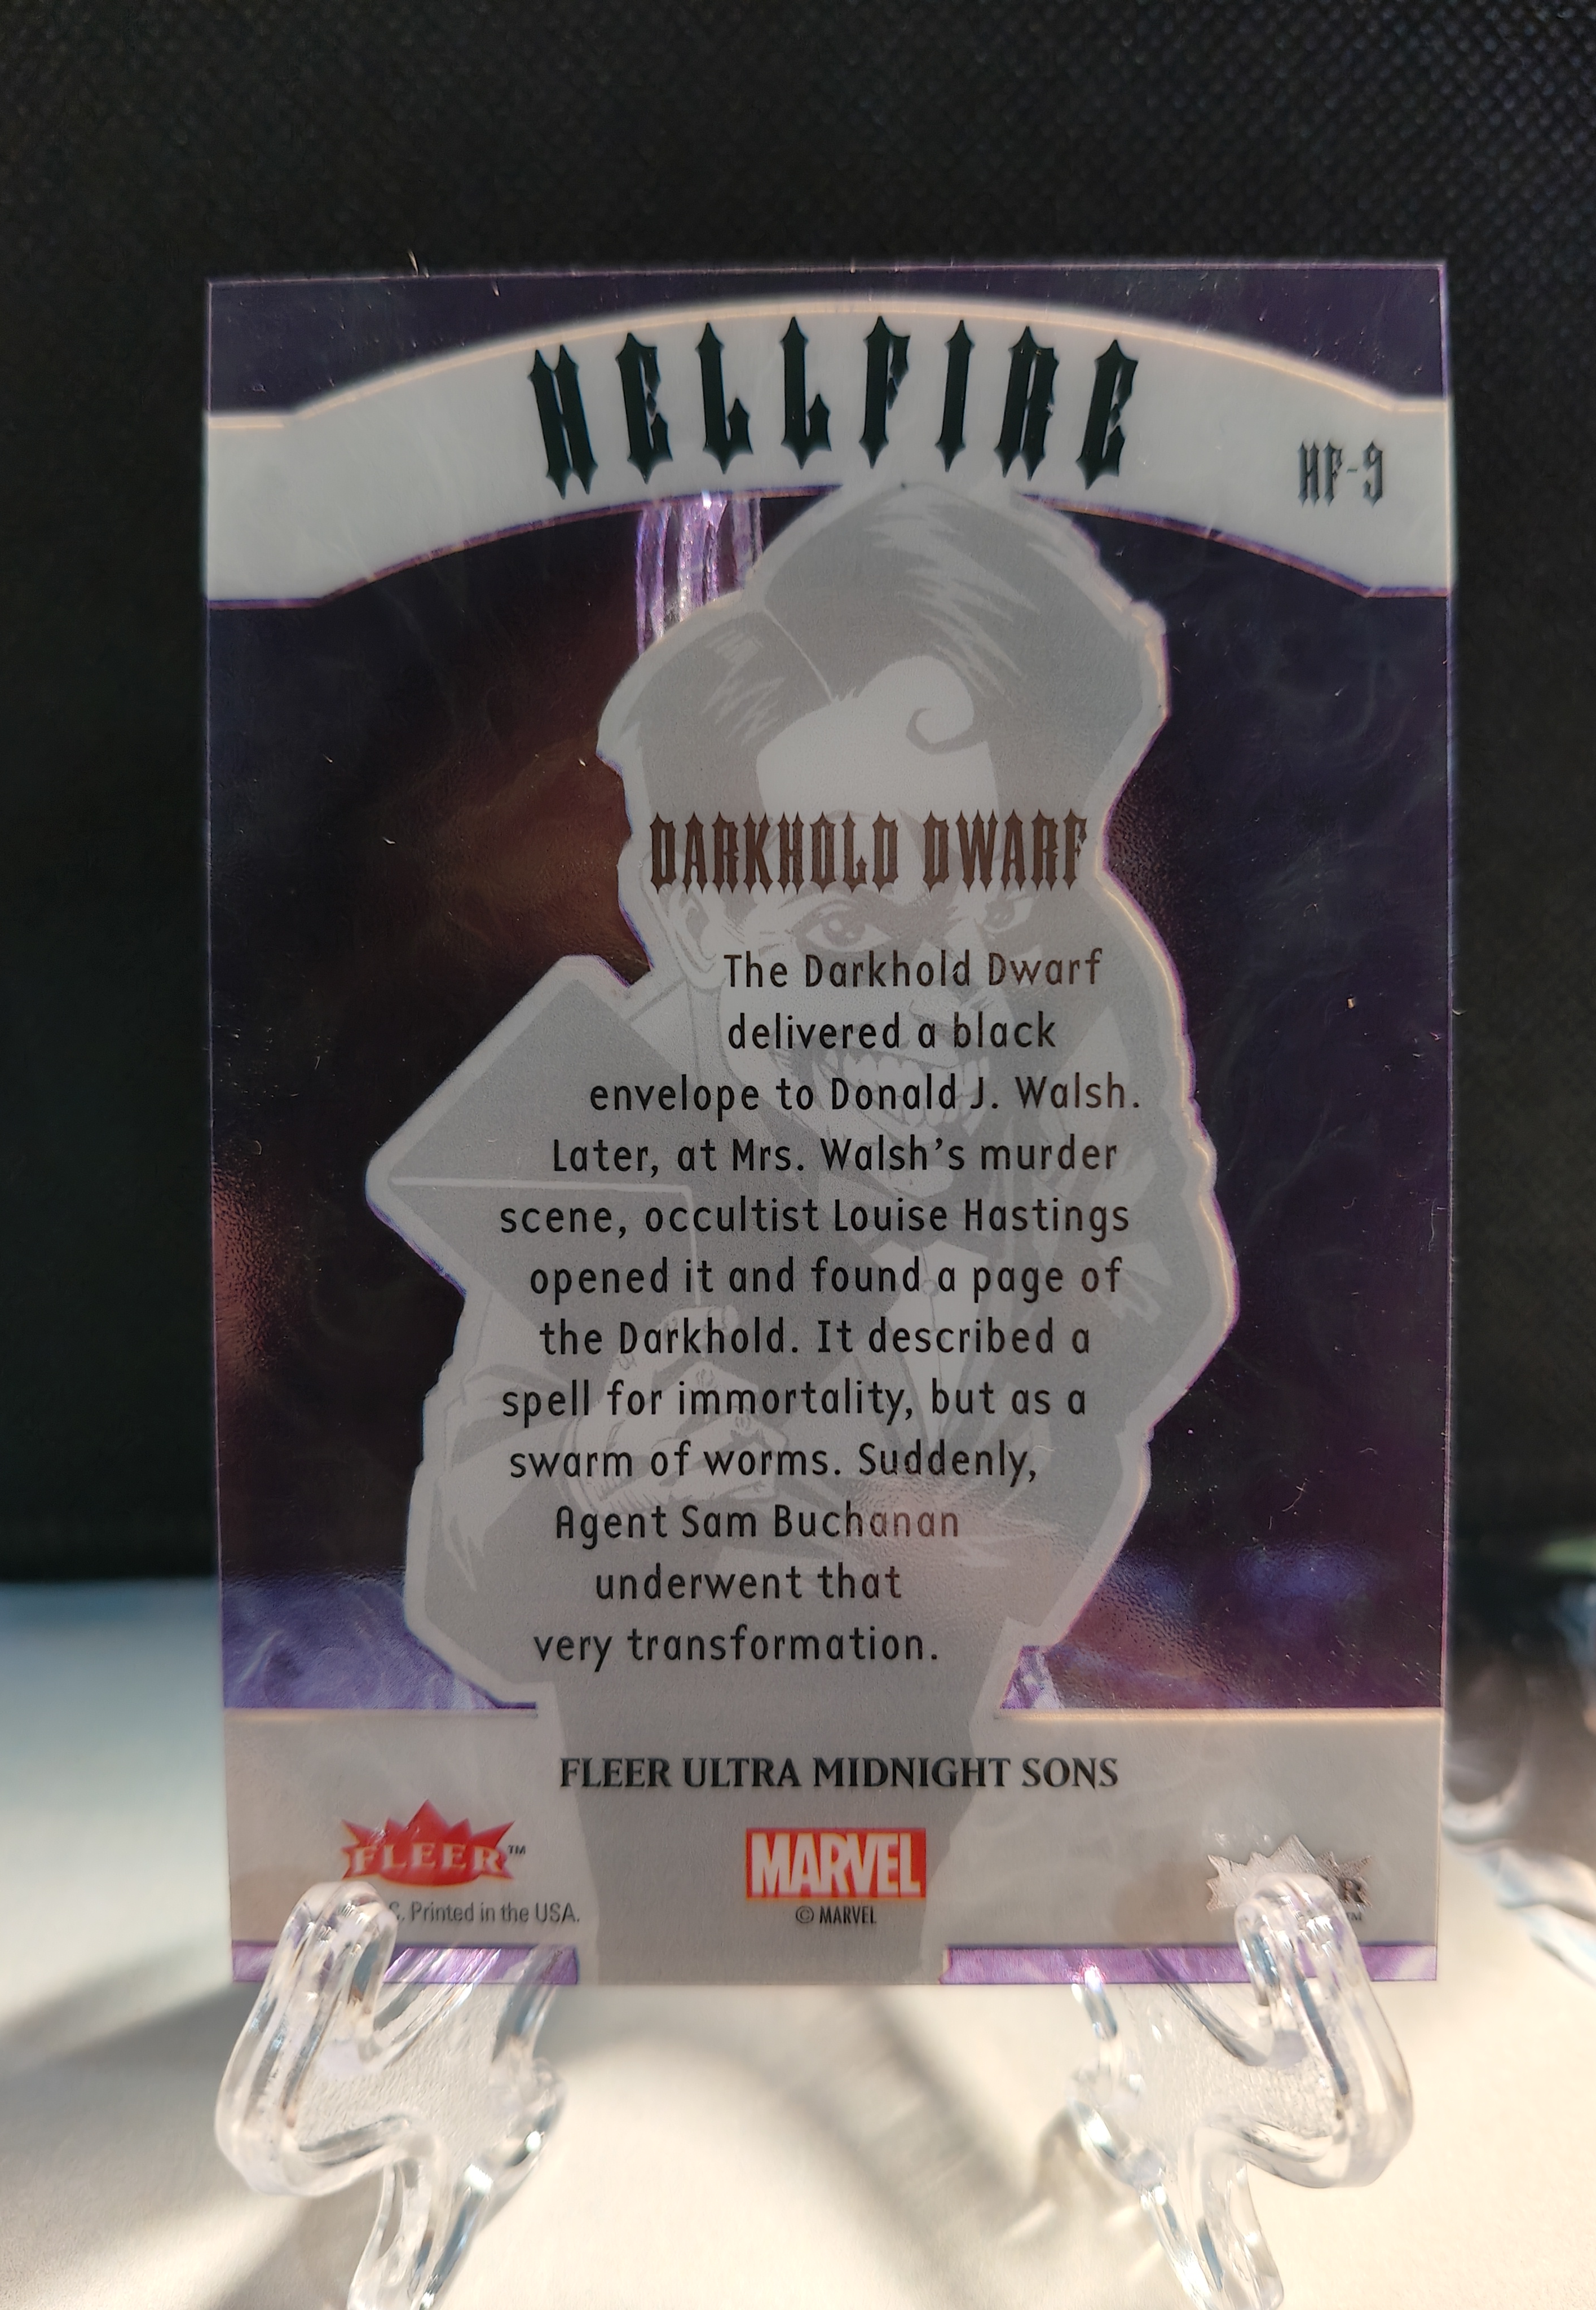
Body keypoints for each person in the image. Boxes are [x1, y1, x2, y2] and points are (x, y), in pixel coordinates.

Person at [369, 480, 1235, 1979]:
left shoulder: (1074, 993)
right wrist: (610, 1471)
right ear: (706, 899)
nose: (921, 942)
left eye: (972, 873)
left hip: (931, 1660)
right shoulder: (621, 1099)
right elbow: (475, 1555)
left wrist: (984, 1327)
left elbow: (1161, 1282)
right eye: (838, 897)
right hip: (659, 1720)